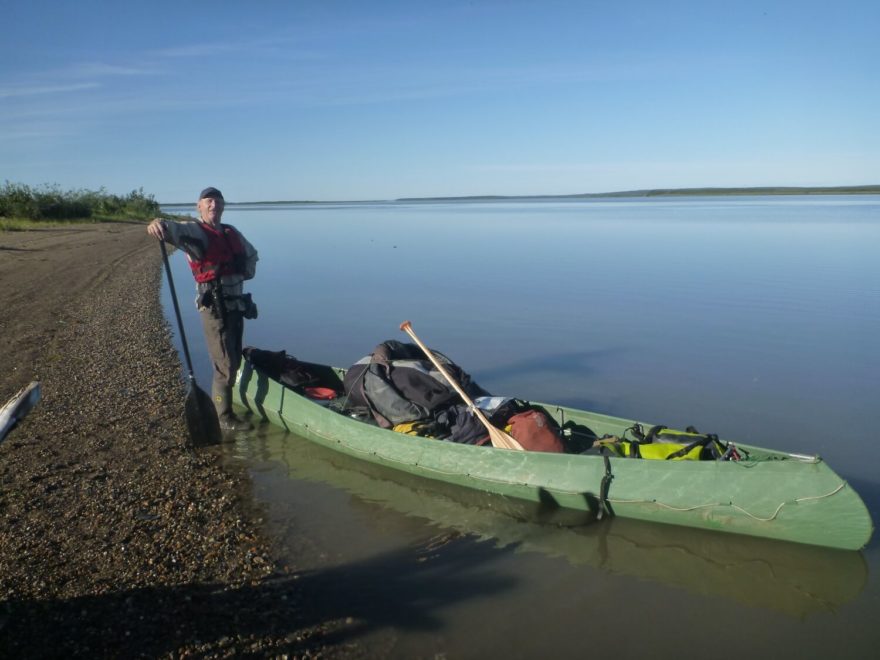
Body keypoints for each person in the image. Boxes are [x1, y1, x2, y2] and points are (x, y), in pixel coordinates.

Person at [147, 187, 259, 431]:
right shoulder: (194, 230)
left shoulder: (231, 232)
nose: (213, 206)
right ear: (199, 205)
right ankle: (225, 416)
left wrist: (245, 271)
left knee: (234, 359)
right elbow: (170, 227)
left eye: (218, 202)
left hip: (236, 305)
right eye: (208, 202)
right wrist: (157, 223)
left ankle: (227, 398)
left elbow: (252, 255)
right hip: (214, 309)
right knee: (224, 364)